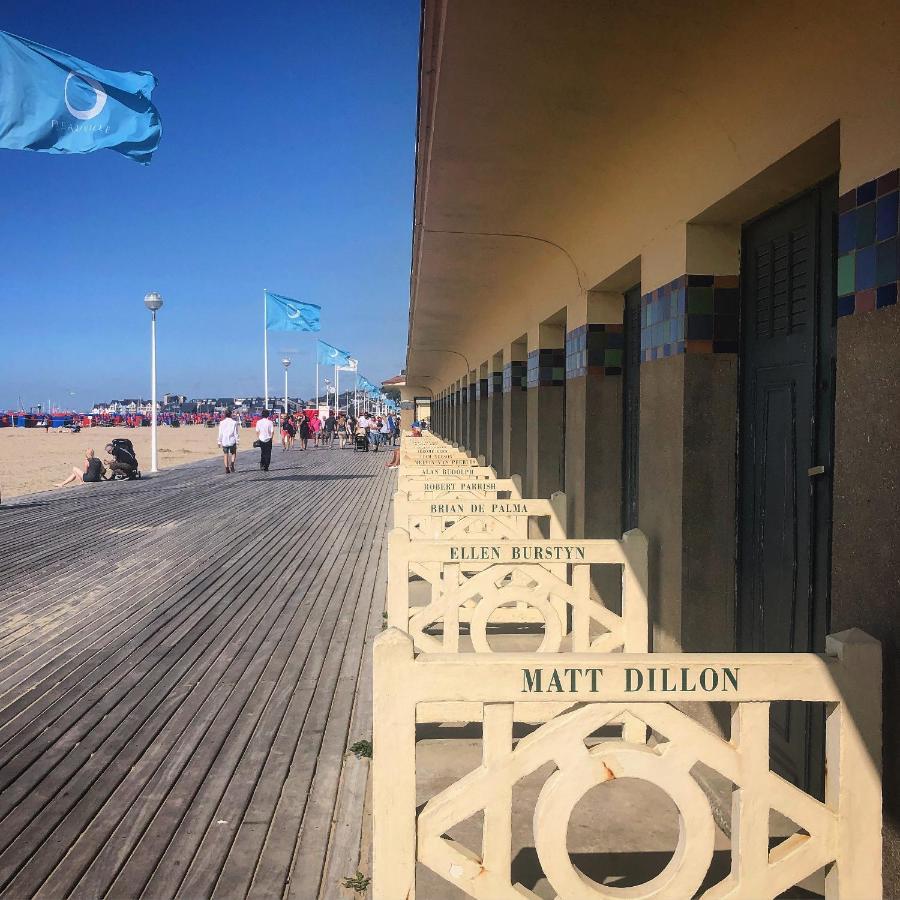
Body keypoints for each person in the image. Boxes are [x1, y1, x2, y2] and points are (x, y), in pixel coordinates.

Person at [217, 408, 240, 473]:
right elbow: (236, 433)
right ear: (230, 415)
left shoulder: (222, 422)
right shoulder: (234, 422)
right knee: (233, 453)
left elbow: (220, 433)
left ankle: (227, 468)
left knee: (225, 454)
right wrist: (237, 440)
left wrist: (219, 441)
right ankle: (232, 464)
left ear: (225, 415)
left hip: (224, 440)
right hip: (232, 440)